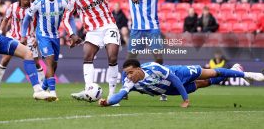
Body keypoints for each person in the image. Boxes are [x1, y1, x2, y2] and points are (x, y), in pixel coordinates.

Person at [62, 0, 139, 104]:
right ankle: (88, 89)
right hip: (92, 31)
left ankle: (112, 95)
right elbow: (65, 17)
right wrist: (72, 34)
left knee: (112, 57)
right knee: (87, 56)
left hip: (109, 26)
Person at [99, 59, 264, 107]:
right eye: (126, 73)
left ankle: (246, 74)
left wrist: (185, 99)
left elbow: (174, 79)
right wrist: (107, 102)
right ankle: (235, 69)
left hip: (179, 73)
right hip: (169, 89)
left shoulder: (154, 68)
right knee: (205, 83)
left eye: (130, 72)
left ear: (138, 69)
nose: (128, 76)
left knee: (213, 72)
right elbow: (119, 95)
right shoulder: (129, 81)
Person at [0, 0, 45, 95]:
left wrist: (37, 39)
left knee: (36, 63)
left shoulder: (35, 8)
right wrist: (1, 33)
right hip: (13, 37)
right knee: (5, 59)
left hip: (30, 38)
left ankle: (42, 88)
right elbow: (5, 20)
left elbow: (41, 25)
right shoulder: (13, 7)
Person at [21, 0, 68, 100]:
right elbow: (26, 19)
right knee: (50, 61)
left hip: (55, 36)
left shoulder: (62, 2)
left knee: (53, 66)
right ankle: (53, 92)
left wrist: (72, 33)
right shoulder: (38, 2)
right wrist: (23, 35)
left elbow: (71, 18)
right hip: (42, 35)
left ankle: (42, 89)